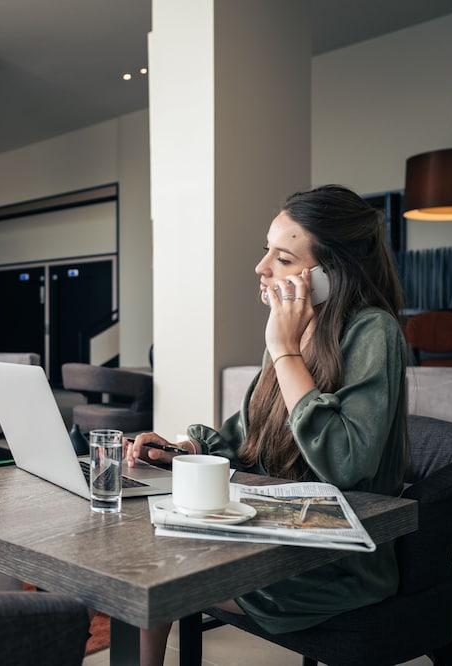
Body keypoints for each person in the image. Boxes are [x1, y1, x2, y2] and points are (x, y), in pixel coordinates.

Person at [125, 184, 409, 666]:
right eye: (267, 254)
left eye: (282, 259)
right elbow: (245, 437)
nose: (261, 269)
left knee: (157, 577)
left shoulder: (372, 332)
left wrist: (284, 349)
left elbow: (346, 460)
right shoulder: (293, 335)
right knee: (147, 558)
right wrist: (184, 448)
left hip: (337, 561)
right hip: (278, 532)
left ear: (330, 272)